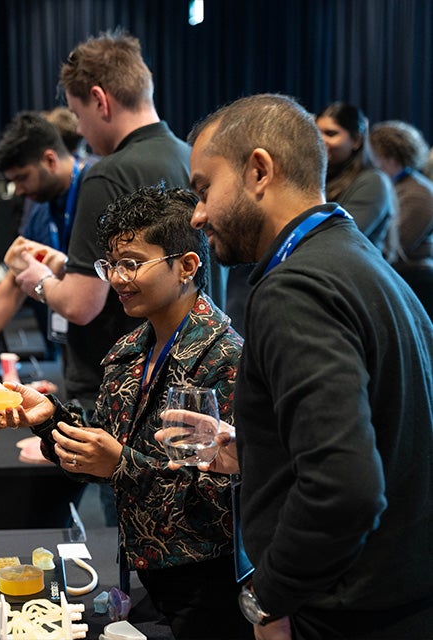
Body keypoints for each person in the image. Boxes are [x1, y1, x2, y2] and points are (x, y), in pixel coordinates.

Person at [186, 93, 433, 639]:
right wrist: (256, 450)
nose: (198, 214)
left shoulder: (295, 289)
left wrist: (267, 597)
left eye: (204, 189)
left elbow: (345, 487)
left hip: (347, 614)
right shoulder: (361, 261)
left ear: (258, 170)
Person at [0, 185, 249, 640]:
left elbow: (228, 497)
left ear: (186, 266)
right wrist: (50, 419)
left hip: (212, 584)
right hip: (145, 571)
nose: (117, 279)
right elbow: (102, 456)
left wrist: (122, 465)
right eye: (110, 264)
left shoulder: (228, 360)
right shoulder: (130, 351)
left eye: (131, 263)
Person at [10, 30, 192, 414]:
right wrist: (66, 264)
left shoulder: (106, 174)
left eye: (78, 115)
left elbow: (80, 305)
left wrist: (36, 281)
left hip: (127, 390)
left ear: (99, 100)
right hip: (189, 375)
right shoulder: (191, 157)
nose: (79, 130)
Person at [0, 111, 91, 369]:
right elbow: (14, 281)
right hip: (71, 352)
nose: (18, 190)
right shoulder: (41, 208)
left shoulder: (96, 191)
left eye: (22, 178)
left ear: (50, 160)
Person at [369, 119, 433, 319]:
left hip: (415, 280)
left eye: (375, 156)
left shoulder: (419, 193)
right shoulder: (396, 186)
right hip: (400, 277)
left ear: (391, 158)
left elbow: (395, 247)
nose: (371, 163)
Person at [315, 102, 397, 252]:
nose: (320, 140)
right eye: (316, 132)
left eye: (330, 133)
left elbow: (340, 240)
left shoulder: (373, 182)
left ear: (357, 140)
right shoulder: (318, 177)